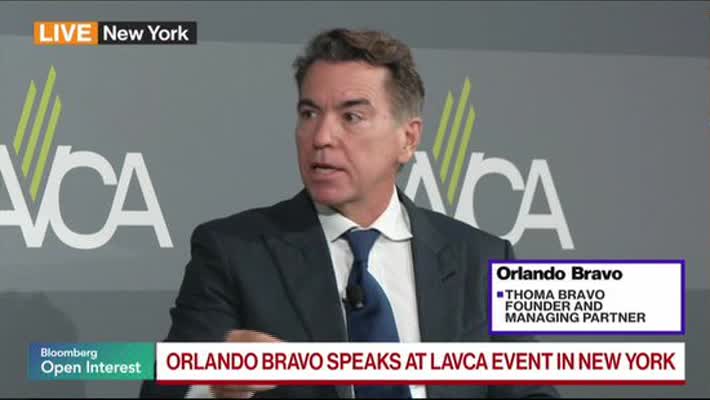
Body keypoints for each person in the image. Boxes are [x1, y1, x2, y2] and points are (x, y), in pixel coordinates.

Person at [140, 28, 558, 399]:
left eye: (352, 116)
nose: (321, 136)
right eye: (309, 114)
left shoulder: (482, 260)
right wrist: (214, 388)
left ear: (408, 139)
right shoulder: (236, 253)